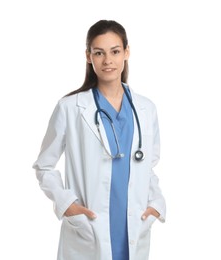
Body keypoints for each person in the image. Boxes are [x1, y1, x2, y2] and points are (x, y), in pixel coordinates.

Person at [33, 19, 166, 260]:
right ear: (88, 56)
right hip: (88, 227)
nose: (108, 61)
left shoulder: (146, 109)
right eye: (99, 53)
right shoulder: (70, 108)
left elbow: (148, 166)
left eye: (115, 51)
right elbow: (44, 166)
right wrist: (67, 204)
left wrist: (156, 203)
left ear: (127, 52)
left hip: (133, 226)